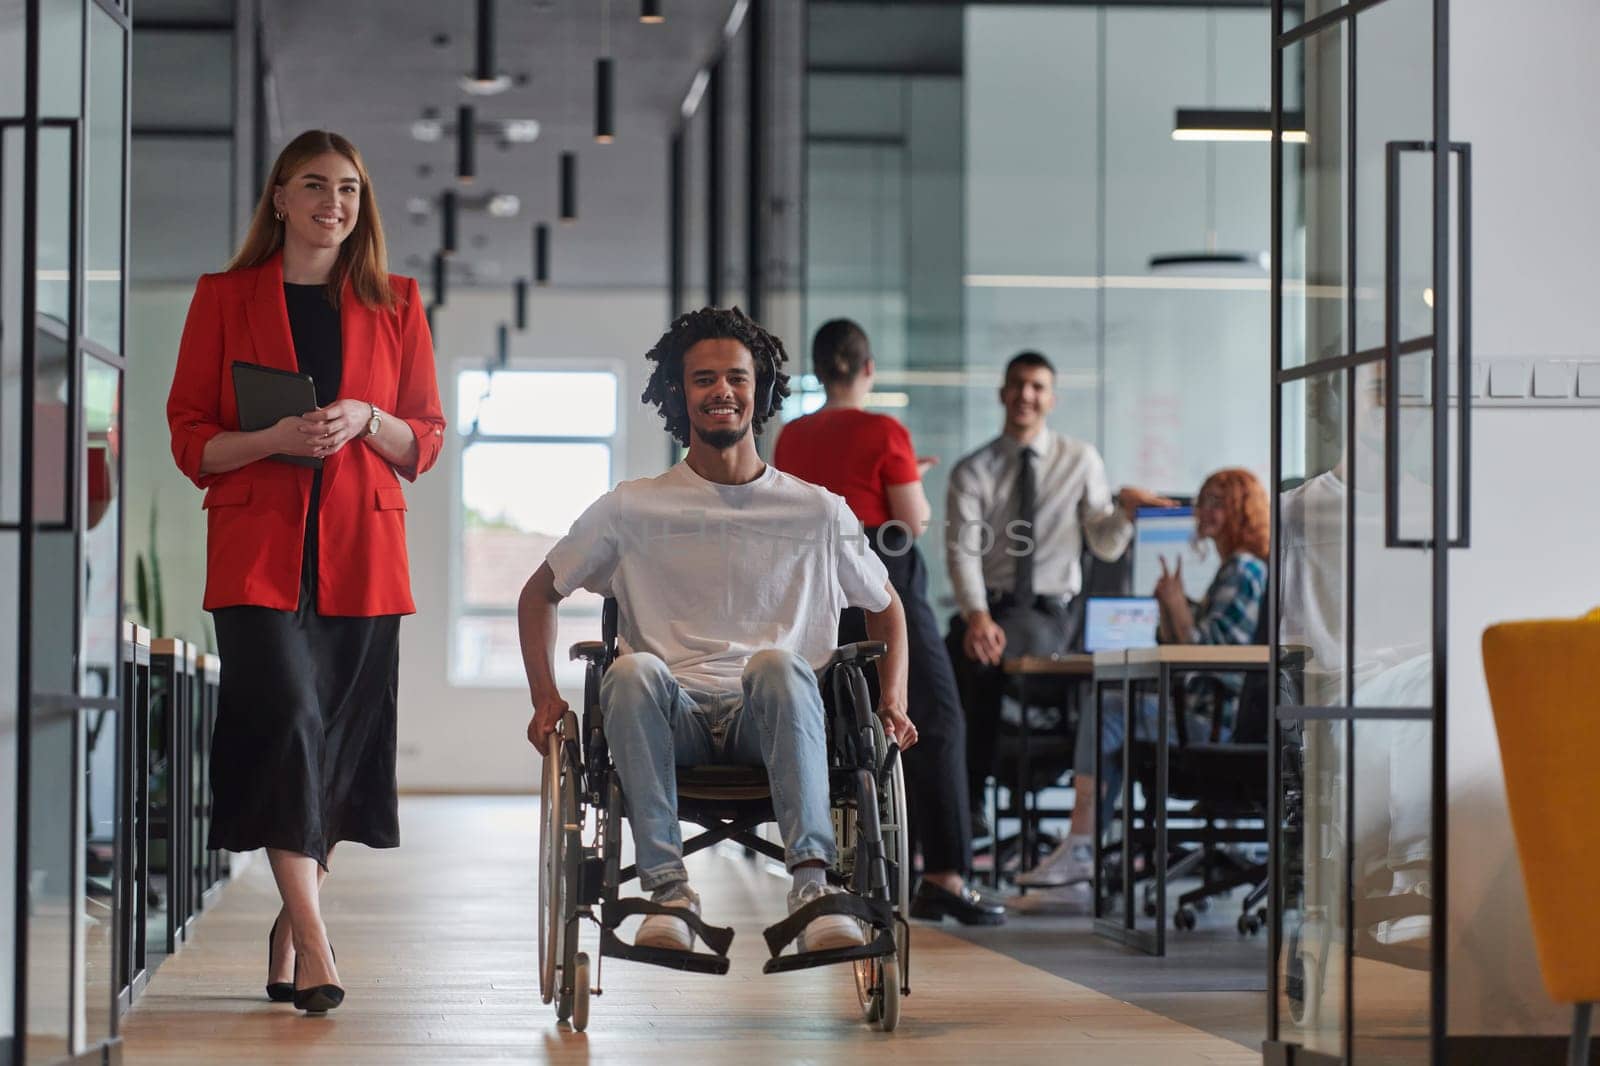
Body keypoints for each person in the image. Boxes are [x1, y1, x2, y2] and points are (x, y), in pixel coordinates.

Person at [518, 307, 917, 955]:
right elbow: (541, 592)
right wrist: (544, 696)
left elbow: (887, 605)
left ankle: (814, 887)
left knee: (778, 664)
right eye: (703, 379)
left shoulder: (817, 511)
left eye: (736, 376)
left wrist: (892, 698)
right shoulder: (631, 507)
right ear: (679, 393)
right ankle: (667, 891)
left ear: (761, 388)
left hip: (776, 718)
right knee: (629, 668)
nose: (721, 391)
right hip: (671, 719)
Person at [166, 130, 446, 1014]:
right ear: (280, 198)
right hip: (256, 555)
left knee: (334, 746)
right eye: (316, 186)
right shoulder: (223, 297)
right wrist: (272, 442)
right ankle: (318, 943)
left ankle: (292, 917)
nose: (335, 203)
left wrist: (368, 415)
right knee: (286, 718)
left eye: (351, 190)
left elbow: (425, 439)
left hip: (364, 554)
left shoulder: (396, 301)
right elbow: (188, 436)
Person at [773, 319, 1005, 926]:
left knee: (835, 718)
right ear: (868, 369)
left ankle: (838, 855)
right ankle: (946, 875)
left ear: (822, 370)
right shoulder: (883, 430)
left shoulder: (791, 437)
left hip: (814, 585)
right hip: (883, 573)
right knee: (936, 716)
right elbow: (912, 520)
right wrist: (914, 486)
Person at [944, 350, 1168, 898]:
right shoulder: (975, 468)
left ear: (1051, 398)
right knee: (951, 653)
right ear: (1002, 393)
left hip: (1047, 612)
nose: (1027, 395)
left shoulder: (1080, 459)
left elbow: (1104, 541)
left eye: (1038, 387)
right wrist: (976, 616)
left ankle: (970, 800)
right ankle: (961, 802)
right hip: (988, 605)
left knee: (988, 650)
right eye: (1018, 385)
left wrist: (1127, 516)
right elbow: (962, 552)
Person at [1018, 467, 1269, 900]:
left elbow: (1208, 658)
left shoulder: (1243, 569)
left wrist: (1178, 607)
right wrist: (1174, 608)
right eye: (1202, 499)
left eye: (1216, 501)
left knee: (1108, 708)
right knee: (1112, 710)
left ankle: (1082, 843)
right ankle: (1086, 842)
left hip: (1215, 721)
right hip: (1203, 714)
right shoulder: (1231, 568)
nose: (1203, 510)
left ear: (1240, 510)